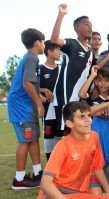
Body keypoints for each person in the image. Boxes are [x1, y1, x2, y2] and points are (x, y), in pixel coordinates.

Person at [38, 101, 109, 199]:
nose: (89, 120)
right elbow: (45, 182)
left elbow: (97, 168)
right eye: (82, 117)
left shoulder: (94, 137)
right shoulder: (62, 146)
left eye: (89, 115)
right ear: (70, 123)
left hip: (77, 191)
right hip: (57, 193)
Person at [8, 28, 45, 189]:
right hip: (21, 107)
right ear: (37, 42)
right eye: (43, 42)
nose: (44, 45)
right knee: (26, 140)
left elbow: (30, 84)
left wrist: (39, 96)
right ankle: (19, 179)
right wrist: (38, 103)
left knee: (33, 139)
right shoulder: (32, 58)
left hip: (26, 106)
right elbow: (26, 83)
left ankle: (38, 173)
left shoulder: (30, 58)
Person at [51, 4, 94, 130]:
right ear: (77, 28)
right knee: (67, 131)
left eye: (91, 25)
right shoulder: (72, 44)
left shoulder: (90, 51)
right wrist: (61, 15)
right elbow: (54, 39)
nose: (90, 27)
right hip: (67, 97)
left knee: (79, 131)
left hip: (80, 98)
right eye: (87, 24)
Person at [39, 40, 63, 160]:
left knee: (59, 137)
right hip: (48, 110)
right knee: (48, 137)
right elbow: (32, 86)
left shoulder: (61, 68)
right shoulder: (40, 68)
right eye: (57, 50)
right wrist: (43, 90)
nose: (60, 52)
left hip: (60, 110)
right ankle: (49, 163)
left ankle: (57, 163)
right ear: (49, 51)